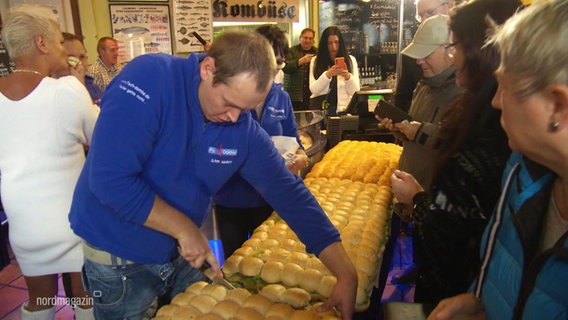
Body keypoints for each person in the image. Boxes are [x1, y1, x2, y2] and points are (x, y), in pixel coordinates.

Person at [68, 30, 357, 319]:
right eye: (229, 103)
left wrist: (345, 273)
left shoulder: (241, 127)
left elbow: (290, 194)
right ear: (209, 69)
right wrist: (185, 229)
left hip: (177, 253)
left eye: (244, 109)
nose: (234, 117)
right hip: (119, 259)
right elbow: (110, 180)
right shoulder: (151, 79)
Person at [428, 0, 568, 319]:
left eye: (505, 87)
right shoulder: (519, 173)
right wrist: (482, 302)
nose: (494, 101)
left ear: (558, 106)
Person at [389, 0, 518, 305]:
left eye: (455, 47)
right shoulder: (464, 104)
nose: (453, 54)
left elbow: (455, 237)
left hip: (456, 287)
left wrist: (420, 200)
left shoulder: (484, 129)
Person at [0, 4, 99, 319]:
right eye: (58, 42)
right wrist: (78, 84)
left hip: (24, 222)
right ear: (41, 43)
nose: (62, 49)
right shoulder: (67, 90)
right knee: (86, 298)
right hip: (72, 221)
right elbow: (98, 139)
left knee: (39, 301)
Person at [214, 25, 309, 259]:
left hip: (267, 198)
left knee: (265, 261)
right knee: (234, 262)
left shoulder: (281, 97)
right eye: (268, 60)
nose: (273, 68)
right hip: (231, 198)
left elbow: (293, 139)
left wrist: (300, 155)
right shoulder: (229, 96)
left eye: (278, 62)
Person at [395, 0, 455, 112]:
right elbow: (402, 100)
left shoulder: (464, 87)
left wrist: (420, 129)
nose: (423, 20)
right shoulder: (421, 88)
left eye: (429, 12)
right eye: (420, 16)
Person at [309, 26, 360, 116]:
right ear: (325, 44)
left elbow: (356, 91)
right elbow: (314, 89)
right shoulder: (316, 61)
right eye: (330, 43)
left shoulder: (350, 60)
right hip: (322, 111)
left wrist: (348, 77)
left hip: (344, 110)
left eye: (336, 42)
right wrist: (327, 75)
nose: (334, 47)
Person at [52, 32, 103, 104]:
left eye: (82, 57)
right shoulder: (50, 92)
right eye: (71, 58)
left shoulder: (92, 86)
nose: (79, 63)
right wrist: (80, 87)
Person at [282, 28, 318, 111]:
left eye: (310, 38)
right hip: (295, 97)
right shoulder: (291, 51)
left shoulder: (317, 52)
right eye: (305, 38)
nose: (308, 41)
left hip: (312, 96)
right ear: (300, 38)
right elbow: (285, 68)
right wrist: (301, 61)